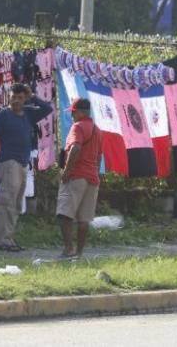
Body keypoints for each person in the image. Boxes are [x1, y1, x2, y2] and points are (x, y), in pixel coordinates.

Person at [0, 83, 53, 251]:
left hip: (22, 163)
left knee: (17, 203)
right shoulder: (3, 116)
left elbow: (47, 109)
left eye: (20, 98)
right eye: (13, 97)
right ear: (9, 97)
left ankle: (9, 238)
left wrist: (32, 96)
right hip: (9, 162)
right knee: (6, 201)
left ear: (24, 99)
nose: (16, 101)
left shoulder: (28, 114)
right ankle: (1, 240)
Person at [57, 96, 103, 259]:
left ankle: (69, 249)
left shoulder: (77, 127)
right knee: (84, 219)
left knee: (64, 214)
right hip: (92, 178)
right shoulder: (97, 130)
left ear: (80, 112)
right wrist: (95, 173)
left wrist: (66, 172)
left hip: (76, 176)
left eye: (73, 112)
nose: (71, 116)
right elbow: (99, 156)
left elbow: (75, 149)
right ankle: (79, 253)